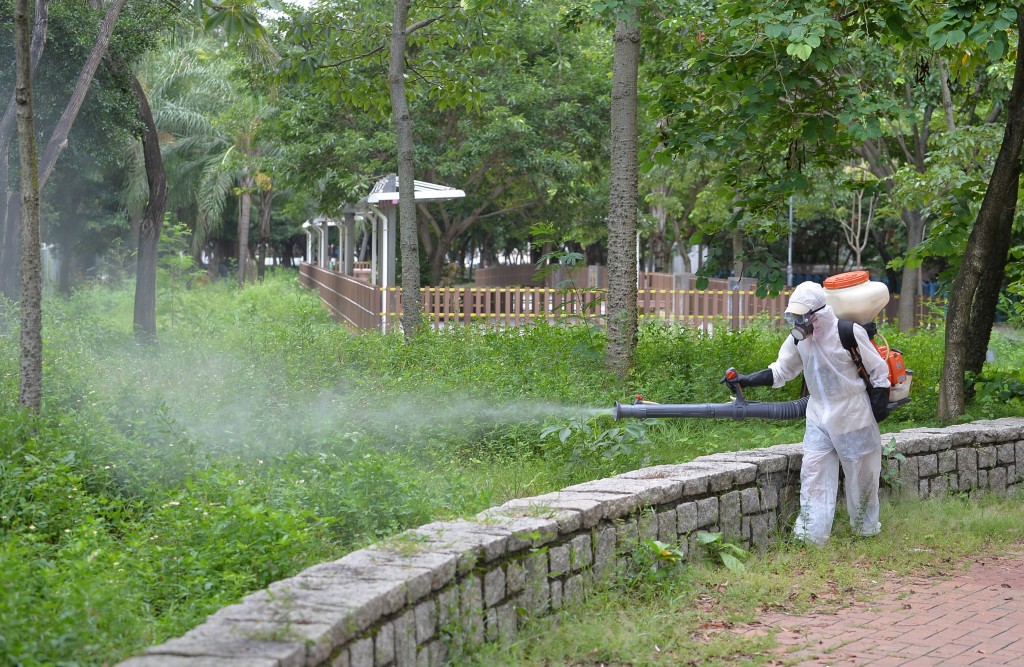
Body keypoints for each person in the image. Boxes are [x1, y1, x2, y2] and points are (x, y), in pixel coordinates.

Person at [732, 281, 891, 545]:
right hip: (818, 413)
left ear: (817, 314)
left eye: (801, 316)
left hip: (853, 412)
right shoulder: (800, 340)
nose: (797, 322)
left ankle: (866, 530)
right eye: (792, 316)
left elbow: (879, 370)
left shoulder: (847, 332)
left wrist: (879, 402)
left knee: (861, 475)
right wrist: (747, 379)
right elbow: (782, 370)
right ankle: (811, 536)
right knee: (813, 473)